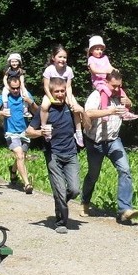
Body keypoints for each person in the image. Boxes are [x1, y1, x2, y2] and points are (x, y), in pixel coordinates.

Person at [81, 69, 138, 223]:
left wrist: (128, 103)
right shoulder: (96, 95)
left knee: (125, 170)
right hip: (95, 142)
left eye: (118, 86)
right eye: (113, 86)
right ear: (106, 82)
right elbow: (88, 113)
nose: (116, 89)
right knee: (93, 175)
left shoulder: (120, 95)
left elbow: (128, 105)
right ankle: (85, 202)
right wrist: (110, 111)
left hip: (114, 140)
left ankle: (125, 209)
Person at [26, 77, 82, 233]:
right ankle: (61, 223)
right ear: (50, 93)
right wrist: (40, 132)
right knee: (60, 190)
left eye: (62, 91)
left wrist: (83, 112)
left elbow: (84, 123)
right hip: (53, 154)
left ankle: (60, 201)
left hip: (71, 153)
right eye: (56, 91)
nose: (60, 94)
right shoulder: (45, 110)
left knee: (75, 190)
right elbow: (28, 132)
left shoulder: (71, 107)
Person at [0, 75, 36, 193]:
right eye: (13, 88)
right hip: (11, 133)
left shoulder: (26, 96)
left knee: (21, 156)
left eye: (17, 88)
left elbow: (37, 111)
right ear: (8, 87)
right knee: (19, 155)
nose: (15, 90)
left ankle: (13, 171)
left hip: (25, 132)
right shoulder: (3, 98)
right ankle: (27, 184)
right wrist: (1, 112)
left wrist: (30, 103)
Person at [40, 44, 85, 146]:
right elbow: (46, 87)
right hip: (51, 93)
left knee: (75, 107)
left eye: (64, 57)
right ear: (53, 58)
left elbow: (68, 87)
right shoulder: (49, 70)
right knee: (44, 106)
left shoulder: (68, 70)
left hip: (64, 93)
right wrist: (51, 99)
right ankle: (44, 129)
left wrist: (69, 99)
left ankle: (78, 132)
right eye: (60, 57)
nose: (62, 59)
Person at [86, 35, 138, 121]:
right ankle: (104, 110)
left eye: (101, 49)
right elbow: (94, 70)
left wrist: (115, 70)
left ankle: (126, 112)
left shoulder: (104, 58)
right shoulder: (91, 59)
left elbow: (110, 67)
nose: (99, 51)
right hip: (99, 81)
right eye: (97, 49)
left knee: (122, 92)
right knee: (104, 92)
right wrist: (105, 71)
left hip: (106, 79)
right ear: (91, 50)